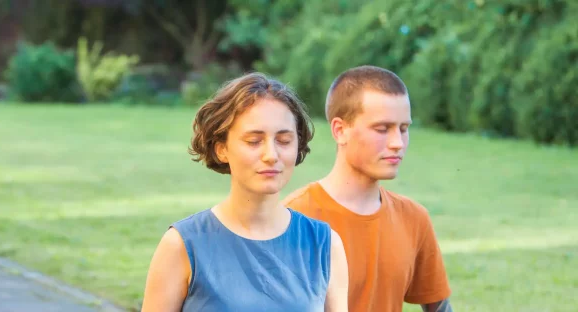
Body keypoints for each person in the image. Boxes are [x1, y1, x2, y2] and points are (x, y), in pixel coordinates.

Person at [141, 72, 349, 312]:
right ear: (222, 149)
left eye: (283, 140)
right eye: (253, 141)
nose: (271, 155)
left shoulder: (325, 244)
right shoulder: (182, 245)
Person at [283, 65, 453, 312]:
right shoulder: (295, 221)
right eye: (382, 129)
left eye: (403, 129)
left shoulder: (414, 219)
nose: (397, 143)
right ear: (340, 130)